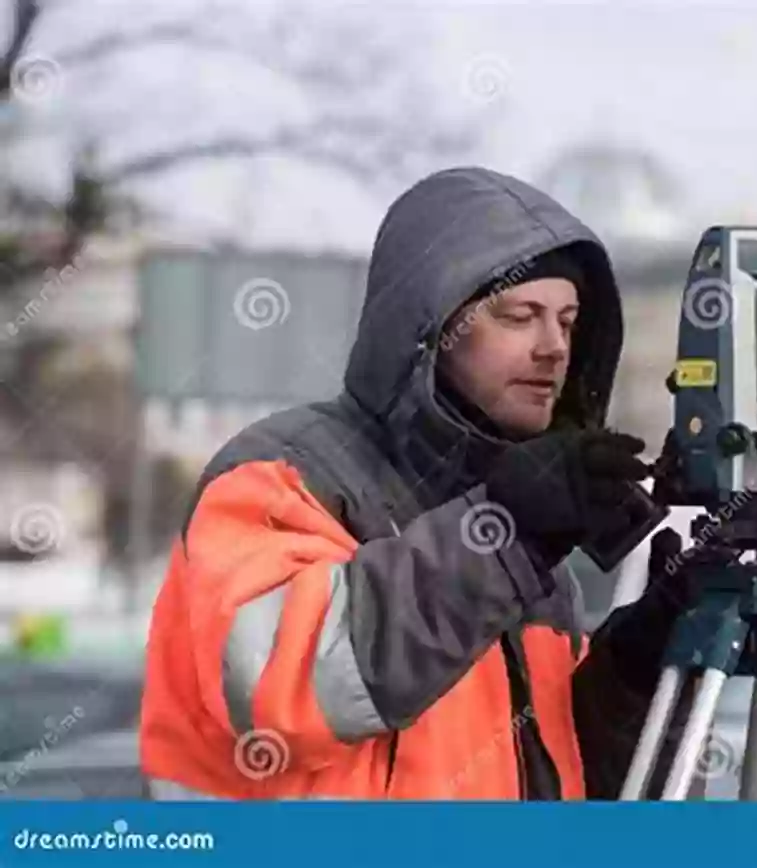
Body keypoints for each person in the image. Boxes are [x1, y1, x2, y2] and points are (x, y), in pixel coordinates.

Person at [138, 166, 693, 801]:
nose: (554, 348)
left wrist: (642, 658)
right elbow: (281, 688)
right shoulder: (284, 472)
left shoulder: (526, 540)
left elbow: (563, 783)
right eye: (520, 316)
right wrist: (505, 532)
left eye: (567, 322)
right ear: (432, 328)